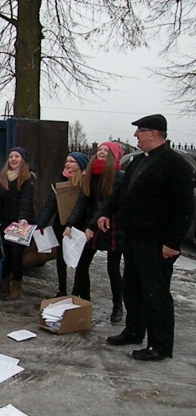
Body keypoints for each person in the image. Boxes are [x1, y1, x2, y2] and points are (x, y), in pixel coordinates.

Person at [97, 114, 194, 361]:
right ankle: (134, 331)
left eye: (140, 131)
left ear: (154, 133)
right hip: (133, 238)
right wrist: (106, 212)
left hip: (157, 242)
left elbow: (185, 207)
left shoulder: (175, 164)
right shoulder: (138, 161)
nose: (135, 135)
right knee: (133, 288)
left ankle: (160, 345)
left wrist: (173, 243)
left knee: (155, 293)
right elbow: (120, 193)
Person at [64, 142, 124, 322]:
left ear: (114, 156)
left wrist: (91, 226)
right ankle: (84, 301)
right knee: (82, 265)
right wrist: (70, 224)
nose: (101, 152)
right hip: (91, 225)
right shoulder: (90, 175)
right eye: (100, 150)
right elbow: (82, 202)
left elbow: (108, 205)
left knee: (113, 269)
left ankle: (117, 306)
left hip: (112, 226)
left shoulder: (119, 177)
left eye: (106, 150)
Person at [36, 152, 88, 298]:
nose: (67, 164)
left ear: (81, 165)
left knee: (80, 260)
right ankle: (62, 289)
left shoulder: (86, 181)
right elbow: (51, 204)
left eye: (72, 161)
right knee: (61, 259)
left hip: (79, 226)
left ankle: (78, 291)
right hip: (61, 223)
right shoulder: (61, 179)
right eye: (67, 161)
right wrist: (41, 223)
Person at [0, 146, 35, 300]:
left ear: (23, 160)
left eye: (17, 156)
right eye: (11, 157)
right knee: (4, 255)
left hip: (20, 225)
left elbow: (25, 201)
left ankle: (16, 284)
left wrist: (23, 218)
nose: (13, 159)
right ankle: (4, 282)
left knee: (16, 256)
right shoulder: (3, 178)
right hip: (5, 222)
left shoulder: (27, 179)